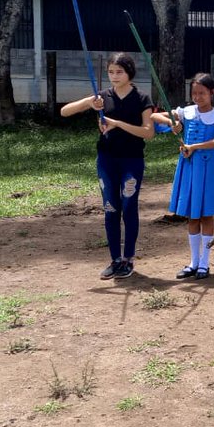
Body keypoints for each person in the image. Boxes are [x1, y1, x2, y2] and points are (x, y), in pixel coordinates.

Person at [60, 53, 154, 280]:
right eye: (111, 72)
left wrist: (116, 124)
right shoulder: (102, 97)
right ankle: (114, 260)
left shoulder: (142, 98)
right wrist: (89, 103)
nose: (114, 76)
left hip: (131, 160)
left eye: (119, 72)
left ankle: (128, 259)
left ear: (129, 72)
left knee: (129, 207)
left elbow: (148, 132)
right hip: (106, 160)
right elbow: (64, 111)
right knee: (111, 209)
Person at [156, 74, 214, 279]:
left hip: (207, 168)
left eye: (202, 93)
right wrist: (172, 124)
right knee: (192, 214)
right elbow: (155, 117)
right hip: (188, 168)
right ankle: (193, 263)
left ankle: (205, 263)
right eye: (194, 93)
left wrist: (195, 146)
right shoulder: (186, 112)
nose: (198, 97)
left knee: (206, 214)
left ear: (212, 92)